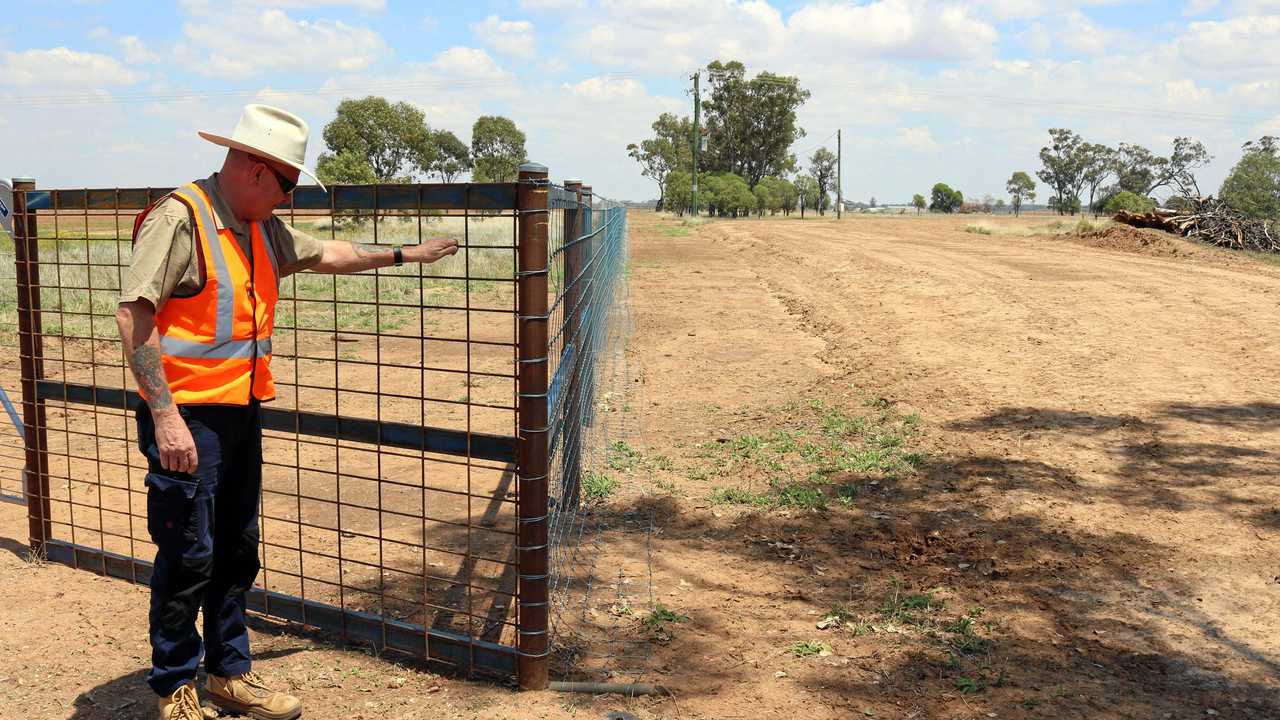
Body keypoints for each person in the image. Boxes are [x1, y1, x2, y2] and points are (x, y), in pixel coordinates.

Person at [115, 104, 458, 720]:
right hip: (187, 417)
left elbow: (328, 254)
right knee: (188, 552)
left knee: (236, 548)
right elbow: (134, 315)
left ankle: (229, 674)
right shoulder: (181, 220)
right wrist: (164, 416)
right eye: (288, 184)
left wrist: (408, 254)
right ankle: (175, 687)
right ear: (253, 168)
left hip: (240, 413)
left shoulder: (260, 228)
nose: (289, 198)